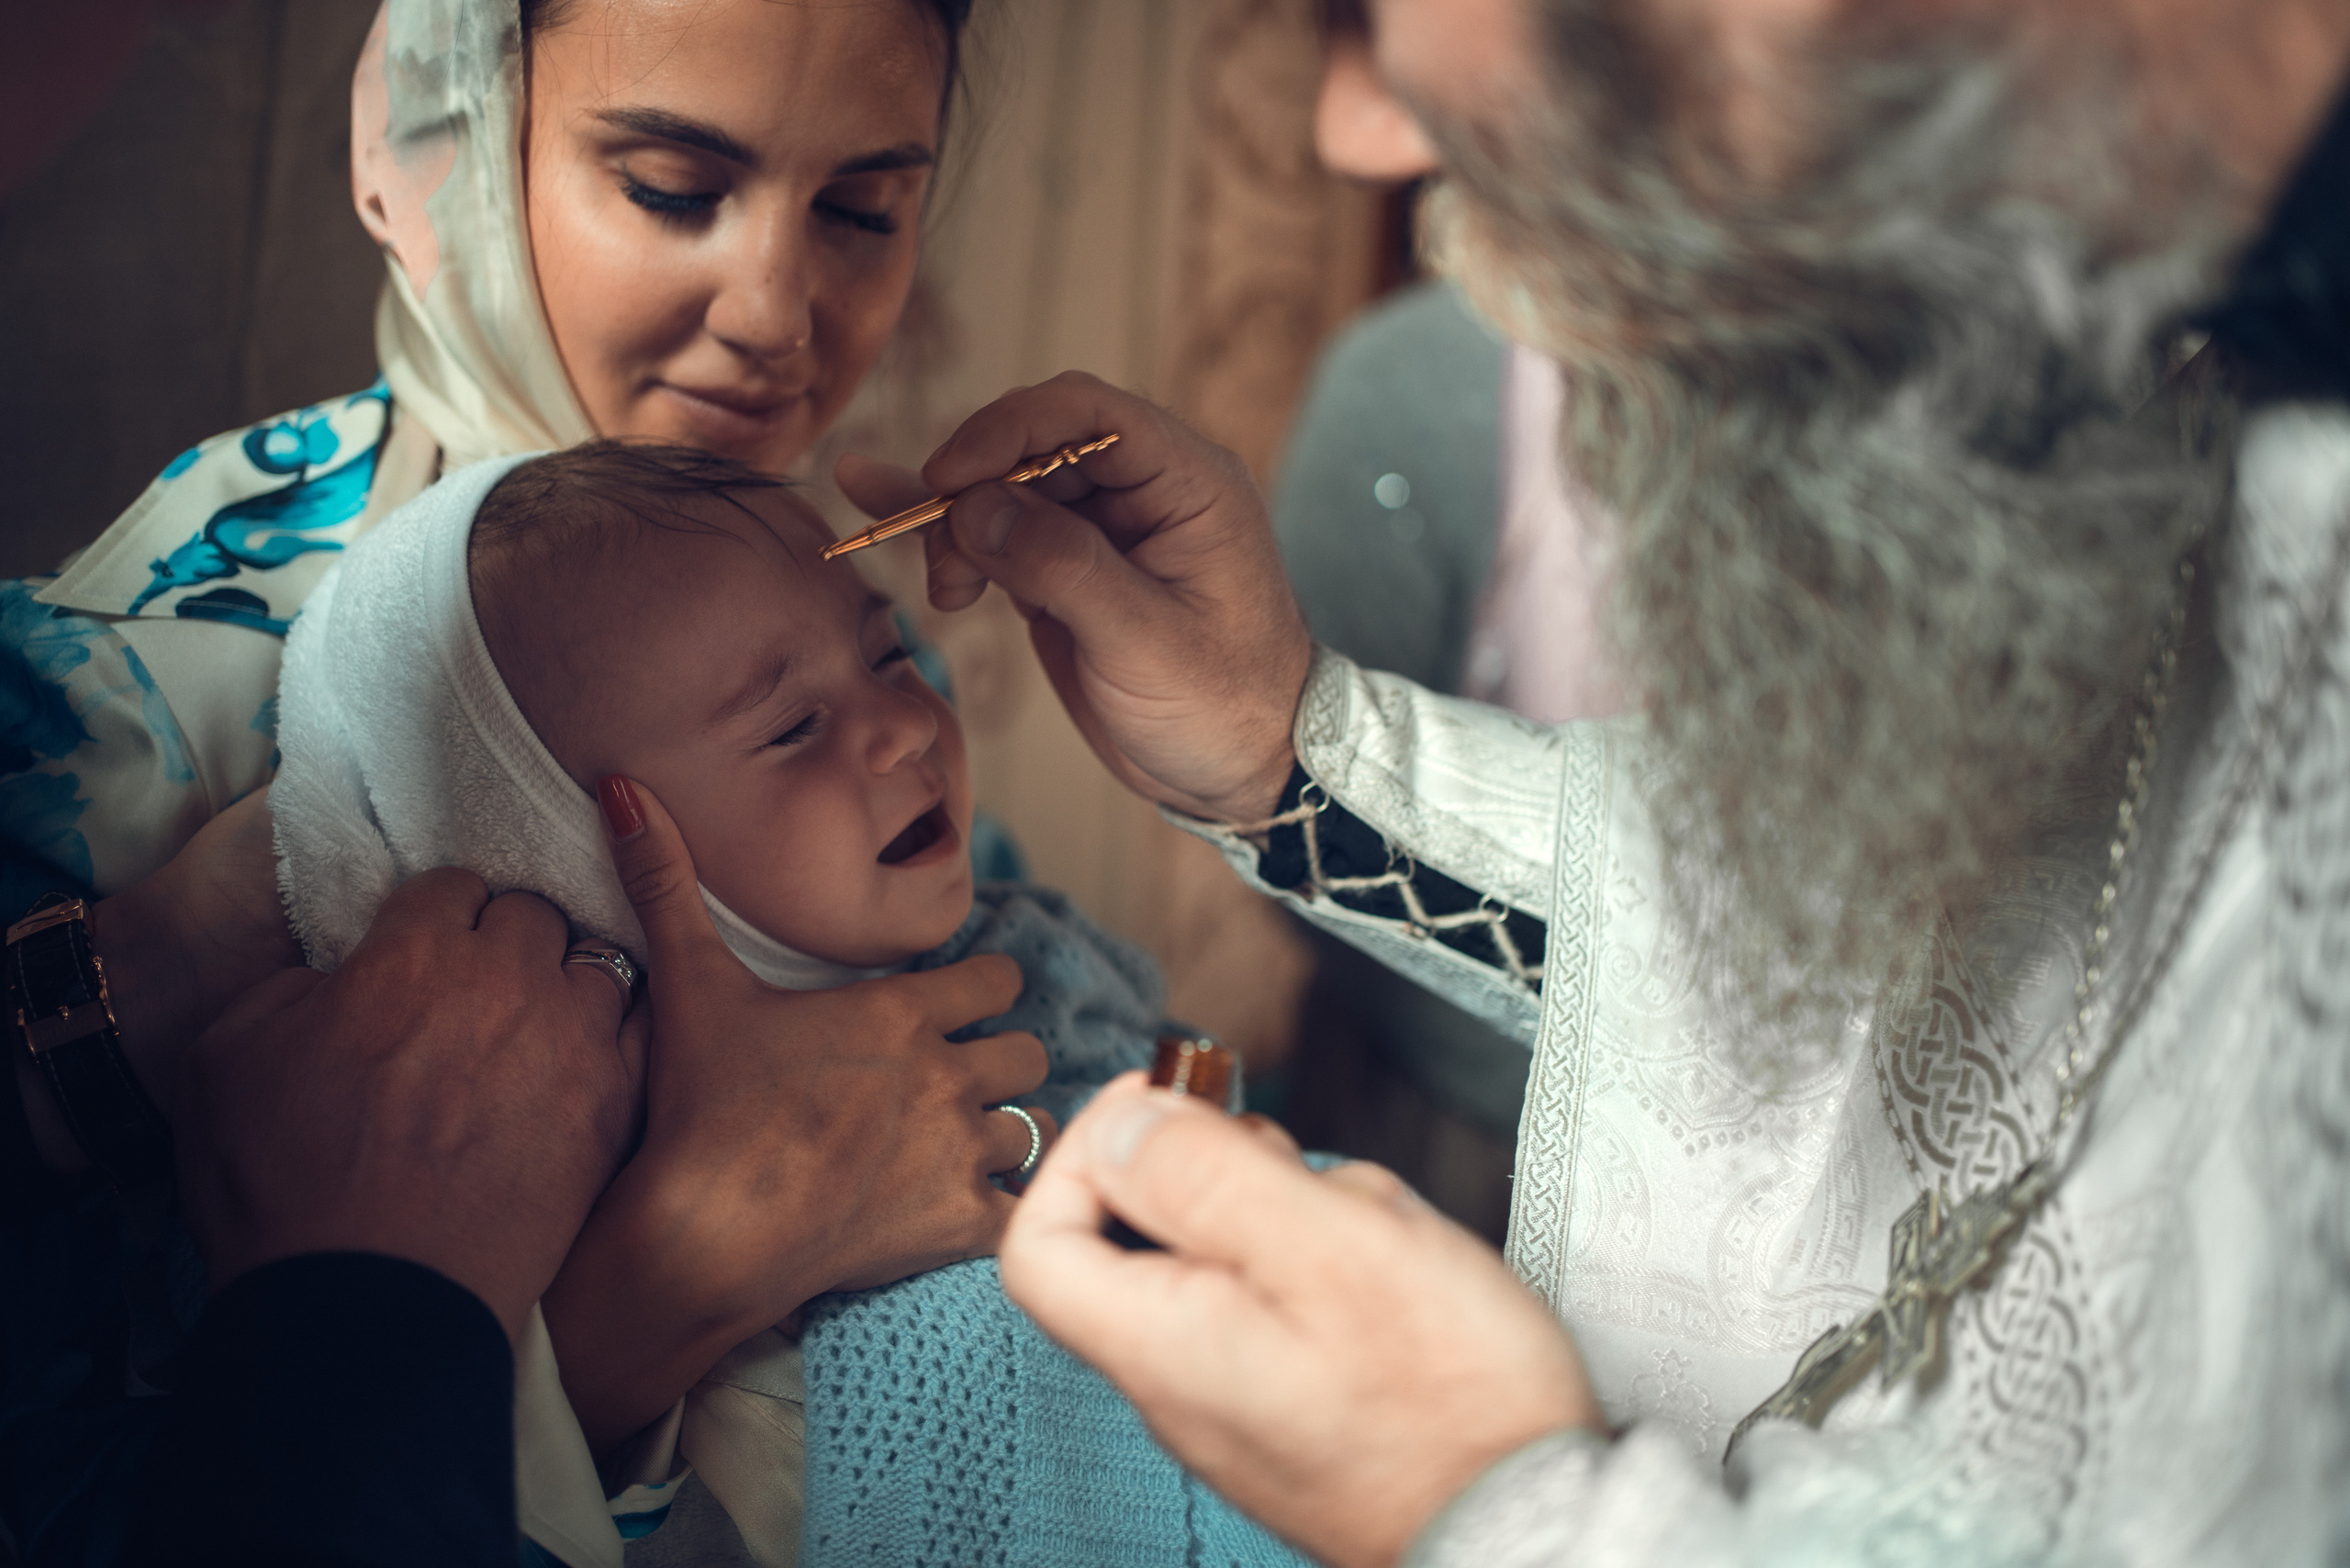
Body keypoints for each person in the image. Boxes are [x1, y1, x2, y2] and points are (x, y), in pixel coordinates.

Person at [877, 0, 2350, 1561]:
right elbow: (1941, 972)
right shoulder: (2172, 367)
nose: (1356, 137)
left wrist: (1516, 1516)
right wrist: (1293, 758)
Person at [0, 0, 1069, 1559]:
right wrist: (648, 1298)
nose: (779, 310)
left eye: (859, 209)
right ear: (430, 131)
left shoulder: (842, 633)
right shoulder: (148, 698)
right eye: (668, 187)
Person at [268, 439, 1180, 1562]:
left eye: (889, 657)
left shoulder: (1021, 946)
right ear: (568, 851)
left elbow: (1191, 1094)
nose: (905, 724)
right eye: (791, 727)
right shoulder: (549, 1164)